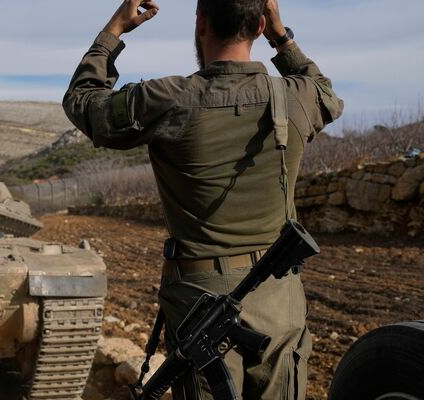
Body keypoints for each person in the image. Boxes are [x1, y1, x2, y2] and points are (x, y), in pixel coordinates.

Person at [63, 0, 344, 399]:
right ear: (260, 24)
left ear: (200, 24)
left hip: (200, 298)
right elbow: (328, 95)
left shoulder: (168, 98)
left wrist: (114, 30)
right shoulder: (297, 96)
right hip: (279, 295)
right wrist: (282, 38)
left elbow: (84, 103)